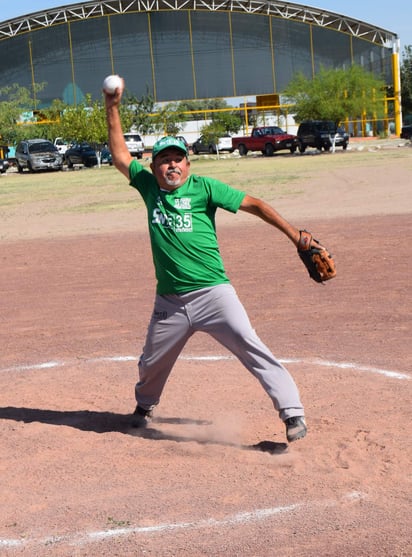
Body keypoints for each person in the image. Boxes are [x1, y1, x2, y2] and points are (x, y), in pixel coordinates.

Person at [104, 79, 317, 443]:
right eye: (163, 160)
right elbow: (121, 154)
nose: (171, 166)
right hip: (169, 302)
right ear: (153, 167)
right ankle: (145, 405)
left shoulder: (204, 188)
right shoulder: (147, 186)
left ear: (188, 164)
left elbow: (256, 205)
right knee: (152, 363)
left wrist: (295, 235)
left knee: (253, 347)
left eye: (177, 159)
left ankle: (293, 414)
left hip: (214, 295)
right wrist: (112, 106)